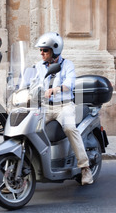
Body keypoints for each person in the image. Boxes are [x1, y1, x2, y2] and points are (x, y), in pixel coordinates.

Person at [32, 32, 93, 185]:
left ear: (55, 51)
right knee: (30, 129)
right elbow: (33, 83)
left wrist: (55, 90)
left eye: (45, 50)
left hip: (64, 106)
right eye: (40, 50)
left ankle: (85, 168)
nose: (41, 53)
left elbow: (69, 84)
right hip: (45, 107)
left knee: (70, 129)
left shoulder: (67, 65)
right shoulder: (38, 66)